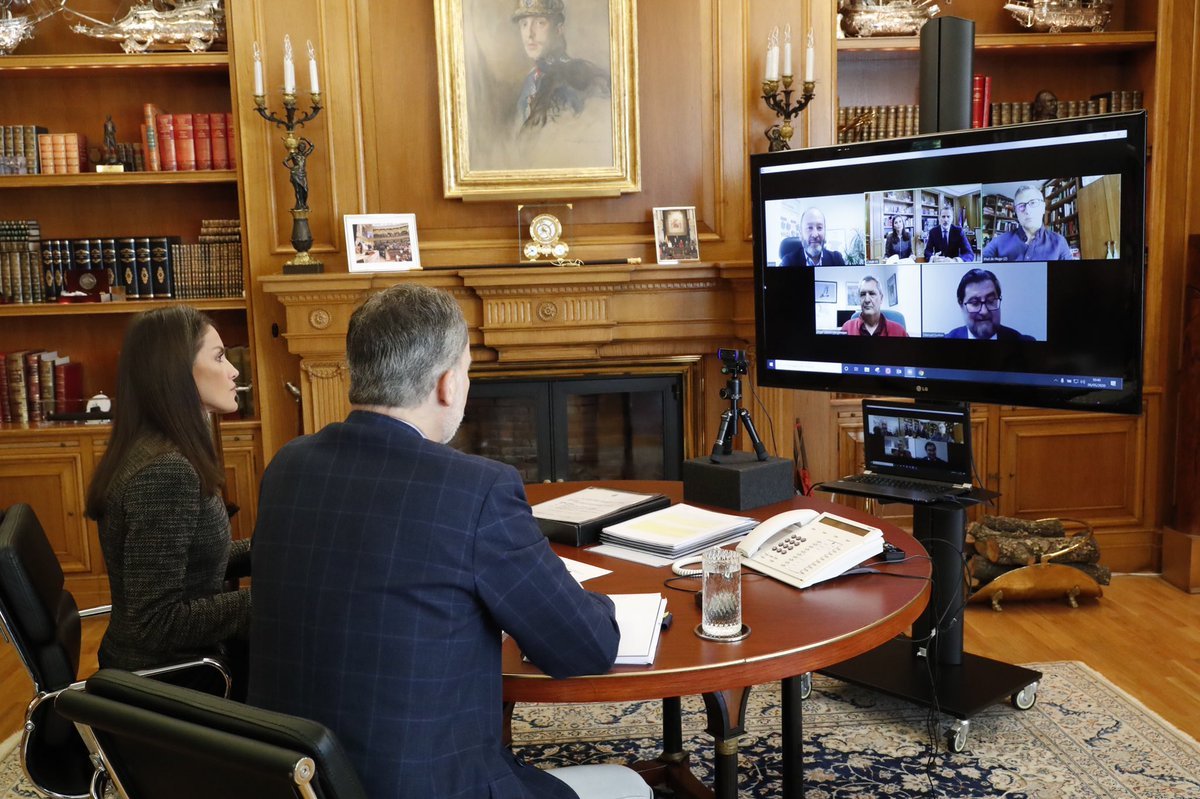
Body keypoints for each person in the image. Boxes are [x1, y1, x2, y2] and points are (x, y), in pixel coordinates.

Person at [248, 285, 645, 799]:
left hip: (298, 784)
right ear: (448, 383)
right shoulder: (476, 490)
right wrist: (596, 600)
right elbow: (585, 649)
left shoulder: (287, 466)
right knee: (629, 787)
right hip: (427, 784)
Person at [84, 306, 250, 689]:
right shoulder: (165, 472)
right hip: (171, 682)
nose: (234, 371)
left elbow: (195, 564)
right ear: (177, 371)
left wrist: (274, 551)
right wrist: (265, 603)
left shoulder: (159, 449)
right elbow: (155, 621)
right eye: (219, 356)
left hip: (180, 667)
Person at [513, 0, 611, 132]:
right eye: (524, 24)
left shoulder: (578, 77)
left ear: (559, 29)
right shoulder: (532, 79)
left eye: (540, 23)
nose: (529, 34)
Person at [982, 184, 1074, 262]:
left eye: (1033, 203)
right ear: (1016, 212)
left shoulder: (1059, 242)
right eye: (1021, 206)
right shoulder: (999, 241)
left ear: (1043, 208)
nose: (1027, 210)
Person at [946, 268, 1035, 341]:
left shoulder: (1023, 343)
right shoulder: (945, 344)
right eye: (975, 303)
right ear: (961, 305)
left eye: (991, 301)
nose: (984, 311)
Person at [841, 276, 908, 337]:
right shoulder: (847, 328)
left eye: (872, 293)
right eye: (863, 294)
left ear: (881, 298)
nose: (867, 300)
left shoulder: (900, 332)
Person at [780, 207, 846, 266]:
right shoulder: (788, 262)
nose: (815, 234)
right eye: (809, 227)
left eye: (819, 227)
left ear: (825, 232)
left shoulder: (837, 259)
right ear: (801, 233)